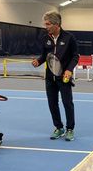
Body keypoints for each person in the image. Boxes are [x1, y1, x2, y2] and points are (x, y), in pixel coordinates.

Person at [32, 11, 79, 141]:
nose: (45, 27)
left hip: (64, 77)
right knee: (52, 104)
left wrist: (69, 70)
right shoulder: (45, 38)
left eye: (48, 24)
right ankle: (59, 127)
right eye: (45, 24)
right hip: (49, 78)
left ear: (56, 24)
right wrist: (38, 61)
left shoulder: (69, 38)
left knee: (67, 103)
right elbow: (44, 55)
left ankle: (70, 129)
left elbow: (75, 56)